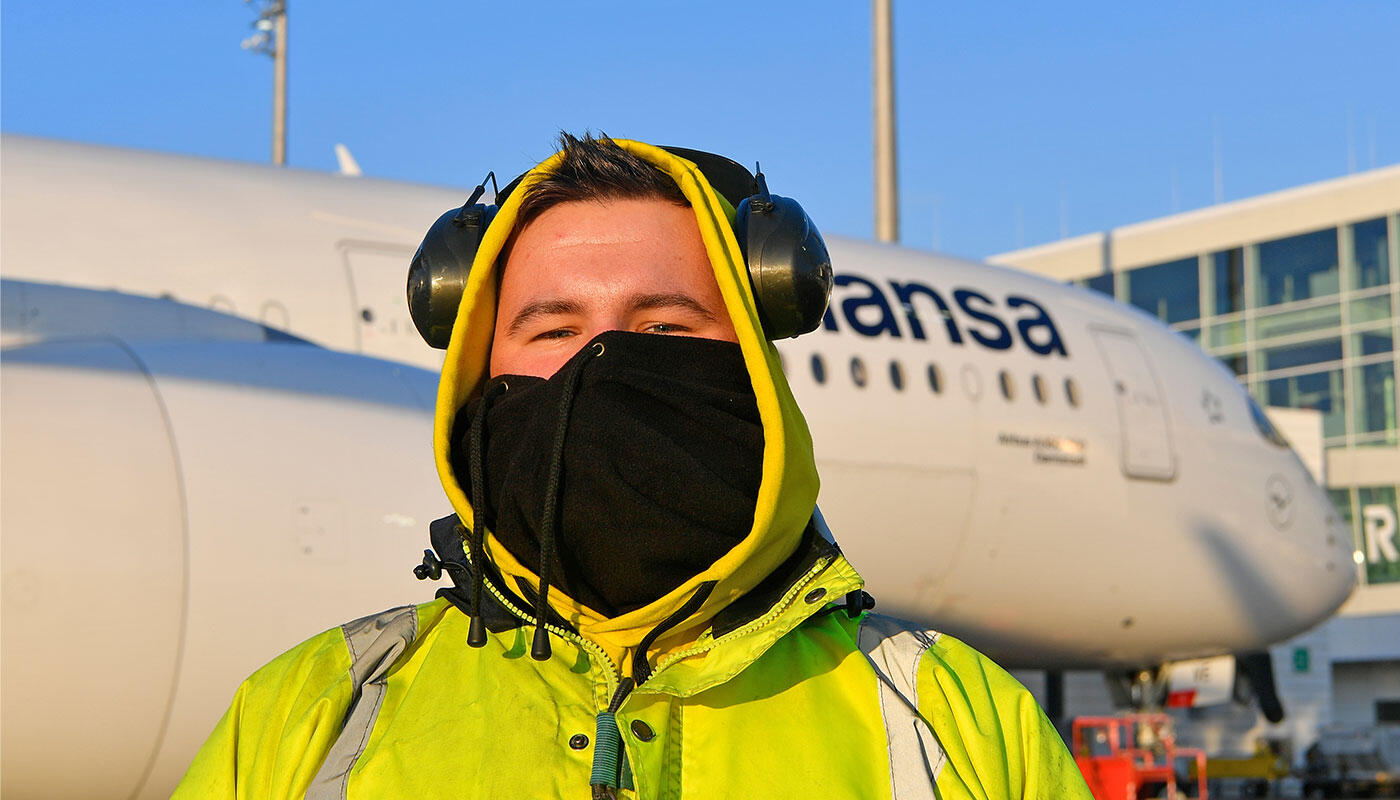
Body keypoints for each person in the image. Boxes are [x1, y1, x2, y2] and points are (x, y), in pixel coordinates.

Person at [175, 133, 1092, 799]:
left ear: (755, 368)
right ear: (480, 372)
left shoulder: (961, 719)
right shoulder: (308, 712)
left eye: (664, 327)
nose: (601, 364)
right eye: (553, 330)